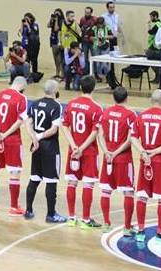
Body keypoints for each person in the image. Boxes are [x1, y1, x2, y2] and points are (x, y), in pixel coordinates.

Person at [132, 89, 161, 243]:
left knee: (142, 196)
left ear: (151, 101)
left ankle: (141, 231)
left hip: (146, 162)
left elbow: (133, 138)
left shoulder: (141, 116)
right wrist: (154, 152)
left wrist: (144, 152)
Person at [61, 75, 103, 229]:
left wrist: (74, 146)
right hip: (89, 151)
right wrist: (82, 148)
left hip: (74, 150)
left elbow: (64, 126)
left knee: (72, 183)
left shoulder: (71, 104)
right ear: (93, 88)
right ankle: (85, 219)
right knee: (88, 184)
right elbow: (94, 132)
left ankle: (71, 217)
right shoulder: (96, 108)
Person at [24, 79, 67, 223]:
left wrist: (34, 138)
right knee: (51, 180)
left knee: (34, 178)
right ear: (55, 91)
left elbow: (28, 123)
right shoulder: (56, 106)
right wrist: (40, 136)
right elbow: (53, 129)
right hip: (50, 147)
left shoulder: (35, 103)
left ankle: (28, 210)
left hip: (36, 146)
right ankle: (51, 214)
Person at [0, 77, 29, 215]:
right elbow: (20, 121)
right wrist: (5, 134)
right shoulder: (21, 98)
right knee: (14, 173)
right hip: (12, 140)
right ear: (22, 85)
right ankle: (13, 207)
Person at [98, 86, 137, 234]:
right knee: (128, 192)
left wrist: (107, 151)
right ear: (126, 98)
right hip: (123, 158)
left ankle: (106, 223)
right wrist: (116, 153)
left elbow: (100, 135)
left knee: (106, 191)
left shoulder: (106, 112)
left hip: (107, 157)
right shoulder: (130, 115)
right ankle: (127, 227)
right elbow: (130, 140)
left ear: (113, 98)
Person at [48, 9, 65, 79]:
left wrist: (57, 20)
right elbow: (48, 25)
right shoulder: (53, 20)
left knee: (60, 59)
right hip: (53, 41)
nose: (56, 15)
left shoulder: (62, 21)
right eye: (55, 14)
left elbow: (56, 29)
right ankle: (57, 73)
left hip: (59, 42)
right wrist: (51, 18)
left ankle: (62, 74)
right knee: (55, 59)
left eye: (58, 14)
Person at [79, 7, 96, 72]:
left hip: (92, 41)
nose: (86, 14)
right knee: (85, 57)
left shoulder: (95, 19)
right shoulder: (82, 19)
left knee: (94, 57)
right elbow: (80, 28)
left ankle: (95, 73)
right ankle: (87, 72)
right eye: (85, 12)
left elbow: (98, 29)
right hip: (84, 41)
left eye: (88, 13)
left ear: (91, 13)